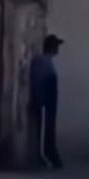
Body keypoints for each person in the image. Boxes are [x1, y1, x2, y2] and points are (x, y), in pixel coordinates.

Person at [30, 34, 64, 170]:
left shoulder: (46, 62)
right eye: (56, 46)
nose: (58, 49)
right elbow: (39, 83)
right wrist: (40, 102)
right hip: (45, 104)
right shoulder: (42, 62)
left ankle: (49, 156)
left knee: (48, 131)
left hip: (49, 104)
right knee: (45, 131)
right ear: (51, 47)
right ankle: (47, 156)